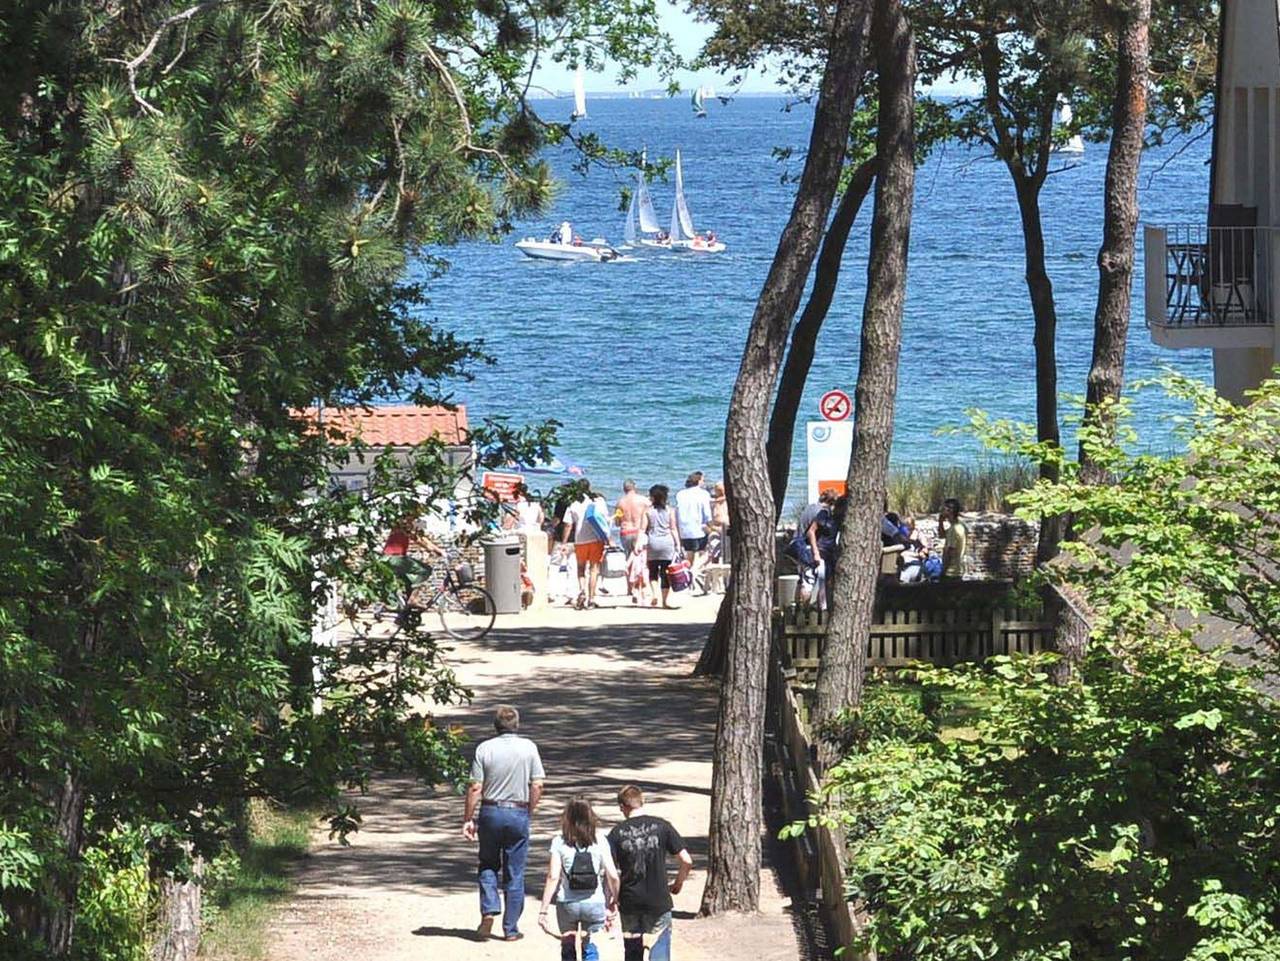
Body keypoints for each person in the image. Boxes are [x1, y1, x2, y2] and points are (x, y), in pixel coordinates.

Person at [463, 705, 546, 942]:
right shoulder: (529, 748)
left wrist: (468, 818)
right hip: (518, 811)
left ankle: (489, 910)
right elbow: (538, 784)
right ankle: (510, 928)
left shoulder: (484, 749)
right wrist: (529, 809)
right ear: (516, 724)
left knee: (488, 862)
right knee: (515, 871)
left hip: (490, 810)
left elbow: (475, 787)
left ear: (495, 726)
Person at [608, 785, 693, 961]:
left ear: (622, 807)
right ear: (642, 801)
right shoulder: (663, 826)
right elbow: (686, 860)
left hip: (630, 901)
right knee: (659, 948)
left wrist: (613, 898)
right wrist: (678, 883)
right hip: (659, 899)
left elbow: (610, 872)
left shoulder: (616, 833)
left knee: (632, 953)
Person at [537, 797, 620, 961]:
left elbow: (553, 876)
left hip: (567, 902)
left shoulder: (559, 842)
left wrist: (544, 909)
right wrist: (614, 901)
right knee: (590, 945)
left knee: (568, 943)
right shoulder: (601, 840)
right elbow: (613, 875)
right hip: (594, 902)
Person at [561, 483, 610, 609]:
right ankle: (591, 599)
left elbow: (568, 525)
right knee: (594, 569)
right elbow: (605, 520)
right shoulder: (598, 502)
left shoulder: (573, 504)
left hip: (579, 540)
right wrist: (608, 538)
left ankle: (582, 590)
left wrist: (564, 542)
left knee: (581, 568)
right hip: (596, 539)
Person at [787, 489, 836, 605]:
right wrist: (816, 553)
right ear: (831, 503)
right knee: (809, 581)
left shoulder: (810, 507)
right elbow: (811, 533)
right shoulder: (821, 512)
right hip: (805, 548)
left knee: (802, 580)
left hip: (795, 545)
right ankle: (804, 610)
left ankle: (798, 609)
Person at [640, 484, 680, 608]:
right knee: (665, 573)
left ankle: (654, 593)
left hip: (653, 543)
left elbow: (642, 529)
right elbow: (673, 529)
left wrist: (638, 544)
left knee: (652, 571)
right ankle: (664, 601)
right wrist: (678, 544)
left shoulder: (647, 511)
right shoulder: (670, 510)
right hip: (667, 543)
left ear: (652, 497)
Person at [674, 472, 713, 593]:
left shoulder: (680, 494)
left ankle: (688, 582)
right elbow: (707, 514)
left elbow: (677, 511)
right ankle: (693, 573)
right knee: (704, 554)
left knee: (689, 555)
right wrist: (711, 526)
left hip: (684, 529)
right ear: (699, 481)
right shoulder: (703, 494)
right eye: (703, 480)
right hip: (698, 529)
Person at [938, 497, 968, 579]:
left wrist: (943, 572)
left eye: (944, 508)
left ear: (949, 510)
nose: (941, 511)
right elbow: (941, 535)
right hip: (957, 571)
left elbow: (950, 552)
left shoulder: (954, 530)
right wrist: (940, 521)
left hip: (951, 573)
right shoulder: (958, 525)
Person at [710, 480, 730, 562]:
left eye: (721, 490)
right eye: (717, 490)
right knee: (714, 550)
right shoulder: (713, 502)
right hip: (716, 529)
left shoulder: (728, 500)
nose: (720, 491)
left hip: (727, 528)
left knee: (727, 551)